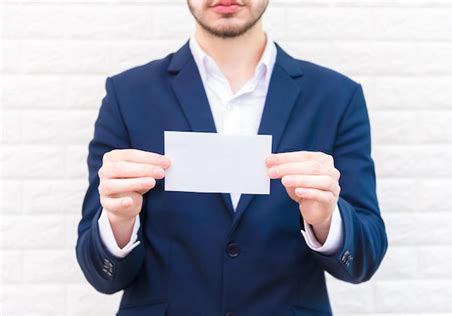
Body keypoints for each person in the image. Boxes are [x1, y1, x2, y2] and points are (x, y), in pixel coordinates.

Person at [76, 0, 388, 315]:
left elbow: (364, 261)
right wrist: (119, 222)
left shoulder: (335, 97)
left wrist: (326, 220)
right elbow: (101, 276)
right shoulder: (128, 94)